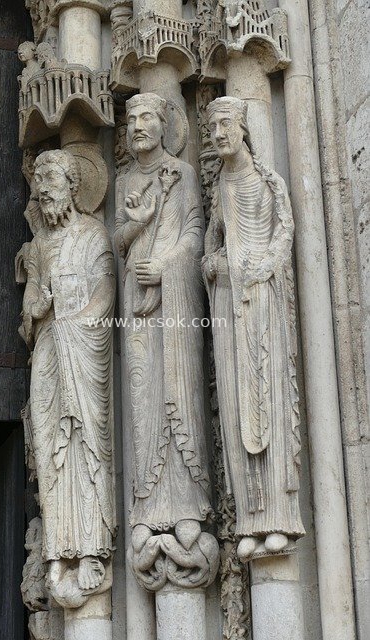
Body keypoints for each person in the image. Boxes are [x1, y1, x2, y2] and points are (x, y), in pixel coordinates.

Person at [203, 96, 305, 561]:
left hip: (261, 299)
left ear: (243, 127)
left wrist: (260, 267)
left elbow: (285, 231)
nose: (218, 134)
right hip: (228, 301)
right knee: (234, 398)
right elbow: (211, 244)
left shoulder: (268, 180)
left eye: (225, 125)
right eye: (212, 128)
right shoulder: (220, 187)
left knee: (270, 398)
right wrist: (215, 264)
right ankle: (250, 515)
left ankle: (280, 516)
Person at [114, 93, 213, 564]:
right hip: (137, 308)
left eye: (146, 117)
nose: (137, 125)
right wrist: (138, 225)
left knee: (181, 391)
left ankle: (187, 505)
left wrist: (168, 265)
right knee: (141, 398)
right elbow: (117, 240)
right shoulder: (126, 180)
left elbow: (195, 233)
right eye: (131, 119)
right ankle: (146, 506)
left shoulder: (184, 176)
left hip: (174, 308)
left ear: (163, 125)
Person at [21, 149, 116, 605]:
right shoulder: (39, 245)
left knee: (84, 445)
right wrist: (38, 308)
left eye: (51, 180)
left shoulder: (94, 234)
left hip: (81, 350)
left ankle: (92, 546)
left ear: (73, 186)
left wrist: (74, 321)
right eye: (39, 183)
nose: (42, 189)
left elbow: (105, 293)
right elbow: (31, 308)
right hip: (49, 356)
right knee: (48, 447)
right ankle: (58, 549)